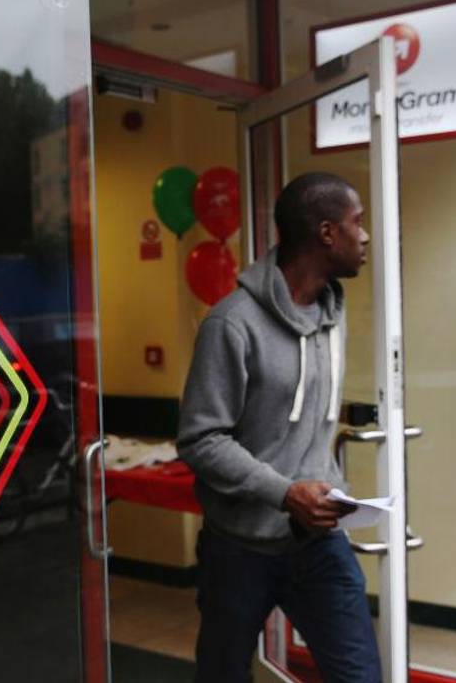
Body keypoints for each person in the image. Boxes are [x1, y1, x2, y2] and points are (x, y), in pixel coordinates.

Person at [177, 172, 378, 683]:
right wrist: (286, 492)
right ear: (327, 233)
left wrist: (326, 490)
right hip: (238, 550)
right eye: (358, 223)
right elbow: (201, 439)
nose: (366, 236)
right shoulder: (231, 324)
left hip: (318, 545)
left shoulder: (332, 313)